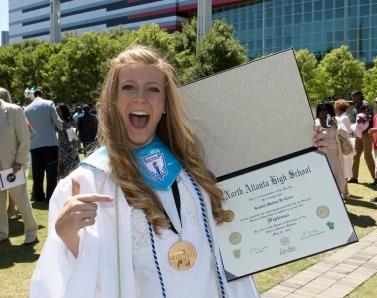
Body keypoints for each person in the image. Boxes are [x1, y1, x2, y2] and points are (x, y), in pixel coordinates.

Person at [31, 46, 259, 297]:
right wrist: (65, 234)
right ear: (112, 100)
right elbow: (77, 277)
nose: (141, 98)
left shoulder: (197, 164)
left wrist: (309, 143)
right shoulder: (90, 181)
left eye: (153, 89)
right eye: (128, 87)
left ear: (164, 103)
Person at [0, 87, 38, 244]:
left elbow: (25, 139)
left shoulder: (15, 110)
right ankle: (2, 232)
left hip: (12, 166)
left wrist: (19, 161)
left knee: (21, 200)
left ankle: (31, 231)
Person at [25, 89, 62, 202]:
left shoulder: (27, 109)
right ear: (43, 94)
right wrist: (62, 126)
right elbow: (57, 122)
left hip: (34, 144)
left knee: (37, 172)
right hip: (49, 143)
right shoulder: (49, 103)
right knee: (51, 172)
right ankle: (51, 196)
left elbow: (27, 128)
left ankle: (38, 196)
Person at [315, 103, 347, 199]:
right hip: (321, 155)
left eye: (325, 110)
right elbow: (312, 139)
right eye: (320, 110)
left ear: (330, 111)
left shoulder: (335, 121)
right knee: (324, 178)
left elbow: (346, 134)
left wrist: (337, 127)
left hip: (335, 155)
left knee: (337, 176)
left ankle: (337, 197)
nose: (323, 112)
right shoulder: (316, 123)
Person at [349, 91, 377, 185]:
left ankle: (376, 178)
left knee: (367, 156)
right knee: (355, 155)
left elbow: (370, 117)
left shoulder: (365, 104)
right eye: (352, 96)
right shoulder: (355, 107)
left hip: (366, 133)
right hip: (358, 134)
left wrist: (363, 120)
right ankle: (354, 177)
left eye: (354, 96)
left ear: (359, 96)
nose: (353, 97)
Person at [334, 99, 352, 200]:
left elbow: (346, 132)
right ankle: (345, 192)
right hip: (342, 145)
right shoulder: (343, 117)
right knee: (343, 170)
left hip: (343, 146)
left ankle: (345, 192)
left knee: (344, 171)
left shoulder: (342, 118)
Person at [56, 104, 80, 179]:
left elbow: (74, 137)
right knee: (61, 174)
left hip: (71, 150)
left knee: (73, 173)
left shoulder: (71, 122)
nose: (57, 113)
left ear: (64, 111)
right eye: (56, 111)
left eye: (59, 111)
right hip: (61, 151)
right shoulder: (57, 123)